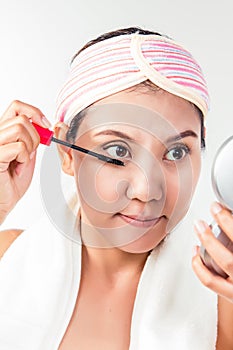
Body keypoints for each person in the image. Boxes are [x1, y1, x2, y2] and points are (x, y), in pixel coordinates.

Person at [0, 27, 232, 350]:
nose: (147, 190)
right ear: (67, 153)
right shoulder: (6, 258)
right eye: (117, 152)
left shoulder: (223, 299)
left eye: (176, 152)